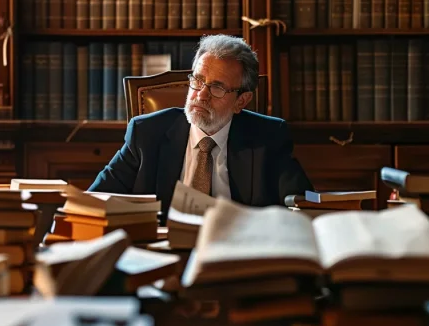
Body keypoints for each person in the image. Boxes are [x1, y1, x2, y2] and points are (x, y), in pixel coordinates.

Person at [88, 34, 314, 221]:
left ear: (241, 101)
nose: (201, 95)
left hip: (235, 258)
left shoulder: (268, 138)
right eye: (197, 81)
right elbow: (95, 200)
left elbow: (302, 206)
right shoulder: (146, 134)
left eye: (217, 88)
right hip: (163, 256)